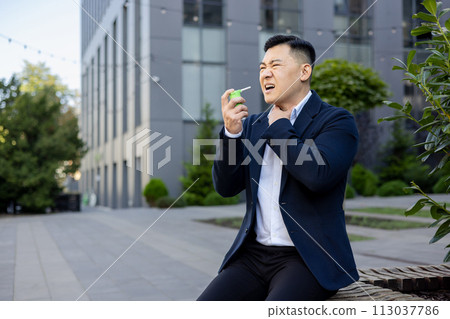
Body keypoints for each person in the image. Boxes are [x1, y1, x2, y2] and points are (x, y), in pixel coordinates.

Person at [197, 34, 359, 301]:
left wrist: (280, 127)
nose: (266, 74)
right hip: (252, 256)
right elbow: (226, 188)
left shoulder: (336, 121)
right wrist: (232, 133)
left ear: (304, 71)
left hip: (307, 259)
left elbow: (318, 176)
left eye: (276, 65)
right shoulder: (251, 125)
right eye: (262, 68)